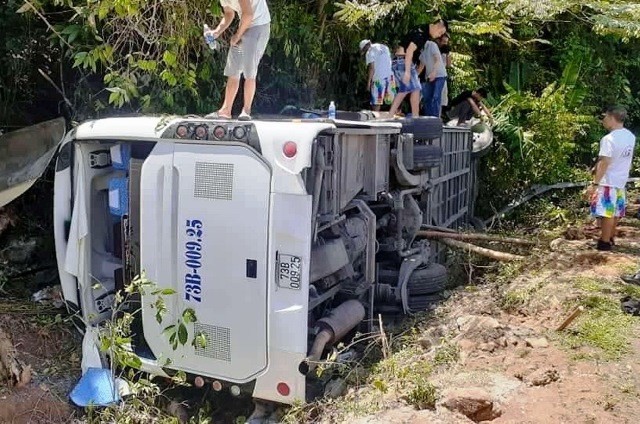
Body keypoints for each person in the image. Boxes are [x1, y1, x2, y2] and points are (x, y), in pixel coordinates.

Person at [205, 0, 270, 120]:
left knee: (249, 71)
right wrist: (216, 32)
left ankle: (246, 111)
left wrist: (237, 35)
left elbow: (249, 14)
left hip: (258, 25)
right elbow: (229, 14)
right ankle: (225, 111)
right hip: (245, 24)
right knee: (233, 70)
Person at [587, 106, 636, 251]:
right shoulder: (630, 136)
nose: (603, 120)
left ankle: (604, 242)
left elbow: (604, 162)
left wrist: (595, 183)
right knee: (615, 212)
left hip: (608, 181)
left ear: (612, 118)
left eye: (605, 117)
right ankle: (610, 237)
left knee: (607, 212)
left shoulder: (608, 139)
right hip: (621, 180)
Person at [388, 18, 448, 118]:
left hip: (399, 60)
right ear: (437, 26)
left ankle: (394, 115)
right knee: (414, 87)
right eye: (441, 32)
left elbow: (421, 62)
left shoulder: (422, 29)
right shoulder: (421, 35)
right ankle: (414, 117)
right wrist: (407, 72)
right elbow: (410, 50)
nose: (440, 35)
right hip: (403, 60)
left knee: (408, 89)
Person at [359, 39, 396, 112]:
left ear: (365, 48)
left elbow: (372, 68)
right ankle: (394, 115)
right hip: (390, 76)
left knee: (376, 101)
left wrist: (368, 83)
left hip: (378, 78)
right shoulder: (384, 47)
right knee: (392, 98)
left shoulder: (369, 52)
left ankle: (376, 119)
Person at [417, 34, 447, 117]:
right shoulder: (422, 50)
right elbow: (421, 66)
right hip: (429, 76)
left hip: (439, 75)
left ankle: (435, 118)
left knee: (436, 96)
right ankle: (428, 118)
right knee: (427, 97)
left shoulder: (432, 45)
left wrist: (434, 72)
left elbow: (437, 59)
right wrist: (413, 77)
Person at [436, 34, 452, 116]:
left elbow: (448, 65)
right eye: (443, 41)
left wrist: (448, 54)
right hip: (433, 74)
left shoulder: (446, 51)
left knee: (442, 97)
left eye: (446, 42)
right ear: (439, 40)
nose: (445, 44)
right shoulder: (434, 48)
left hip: (442, 75)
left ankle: (438, 116)